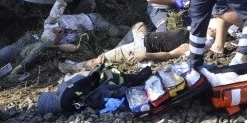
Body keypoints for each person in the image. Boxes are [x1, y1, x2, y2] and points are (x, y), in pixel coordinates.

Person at [58, 19, 220, 73]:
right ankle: (117, 46)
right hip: (144, 38)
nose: (210, 27)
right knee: (139, 24)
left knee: (99, 60)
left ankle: (72, 67)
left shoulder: (198, 44)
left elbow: (170, 55)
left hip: (142, 49)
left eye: (214, 28)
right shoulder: (197, 30)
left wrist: (145, 56)